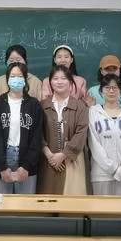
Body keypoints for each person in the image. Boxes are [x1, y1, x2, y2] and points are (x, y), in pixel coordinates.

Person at [0, 62, 43, 194]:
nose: (16, 80)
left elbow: (36, 137)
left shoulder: (34, 105)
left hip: (26, 158)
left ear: (25, 79)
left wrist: (27, 166)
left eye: (20, 76)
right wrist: (2, 166)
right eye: (13, 76)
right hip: (4, 157)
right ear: (7, 79)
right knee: (3, 202)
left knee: (25, 203)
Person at [37, 65, 88, 195]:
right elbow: (37, 133)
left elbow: (81, 133)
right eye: (55, 79)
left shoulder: (80, 106)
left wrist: (63, 154)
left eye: (64, 78)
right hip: (47, 160)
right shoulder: (42, 105)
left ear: (70, 82)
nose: (59, 82)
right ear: (50, 83)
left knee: (71, 199)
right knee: (48, 198)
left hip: (72, 160)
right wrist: (50, 155)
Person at [88, 74, 121, 196]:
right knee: (101, 208)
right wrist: (111, 168)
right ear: (101, 91)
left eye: (115, 88)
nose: (111, 91)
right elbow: (94, 144)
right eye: (107, 87)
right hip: (101, 174)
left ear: (120, 91)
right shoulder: (94, 112)